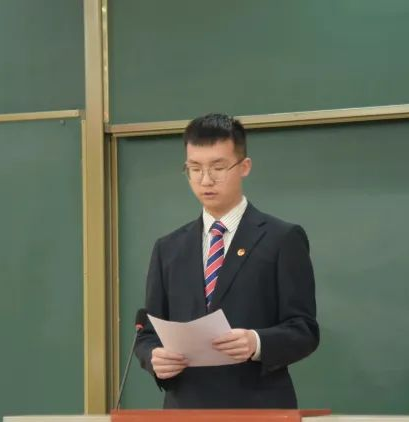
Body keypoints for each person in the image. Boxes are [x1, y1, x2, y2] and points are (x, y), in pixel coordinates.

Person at [135, 113, 319, 408]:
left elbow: (305, 330)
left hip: (259, 406)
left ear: (244, 167)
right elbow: (148, 333)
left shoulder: (282, 238)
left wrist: (256, 342)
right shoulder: (168, 248)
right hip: (185, 408)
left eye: (218, 167)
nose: (205, 180)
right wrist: (153, 357)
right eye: (195, 169)